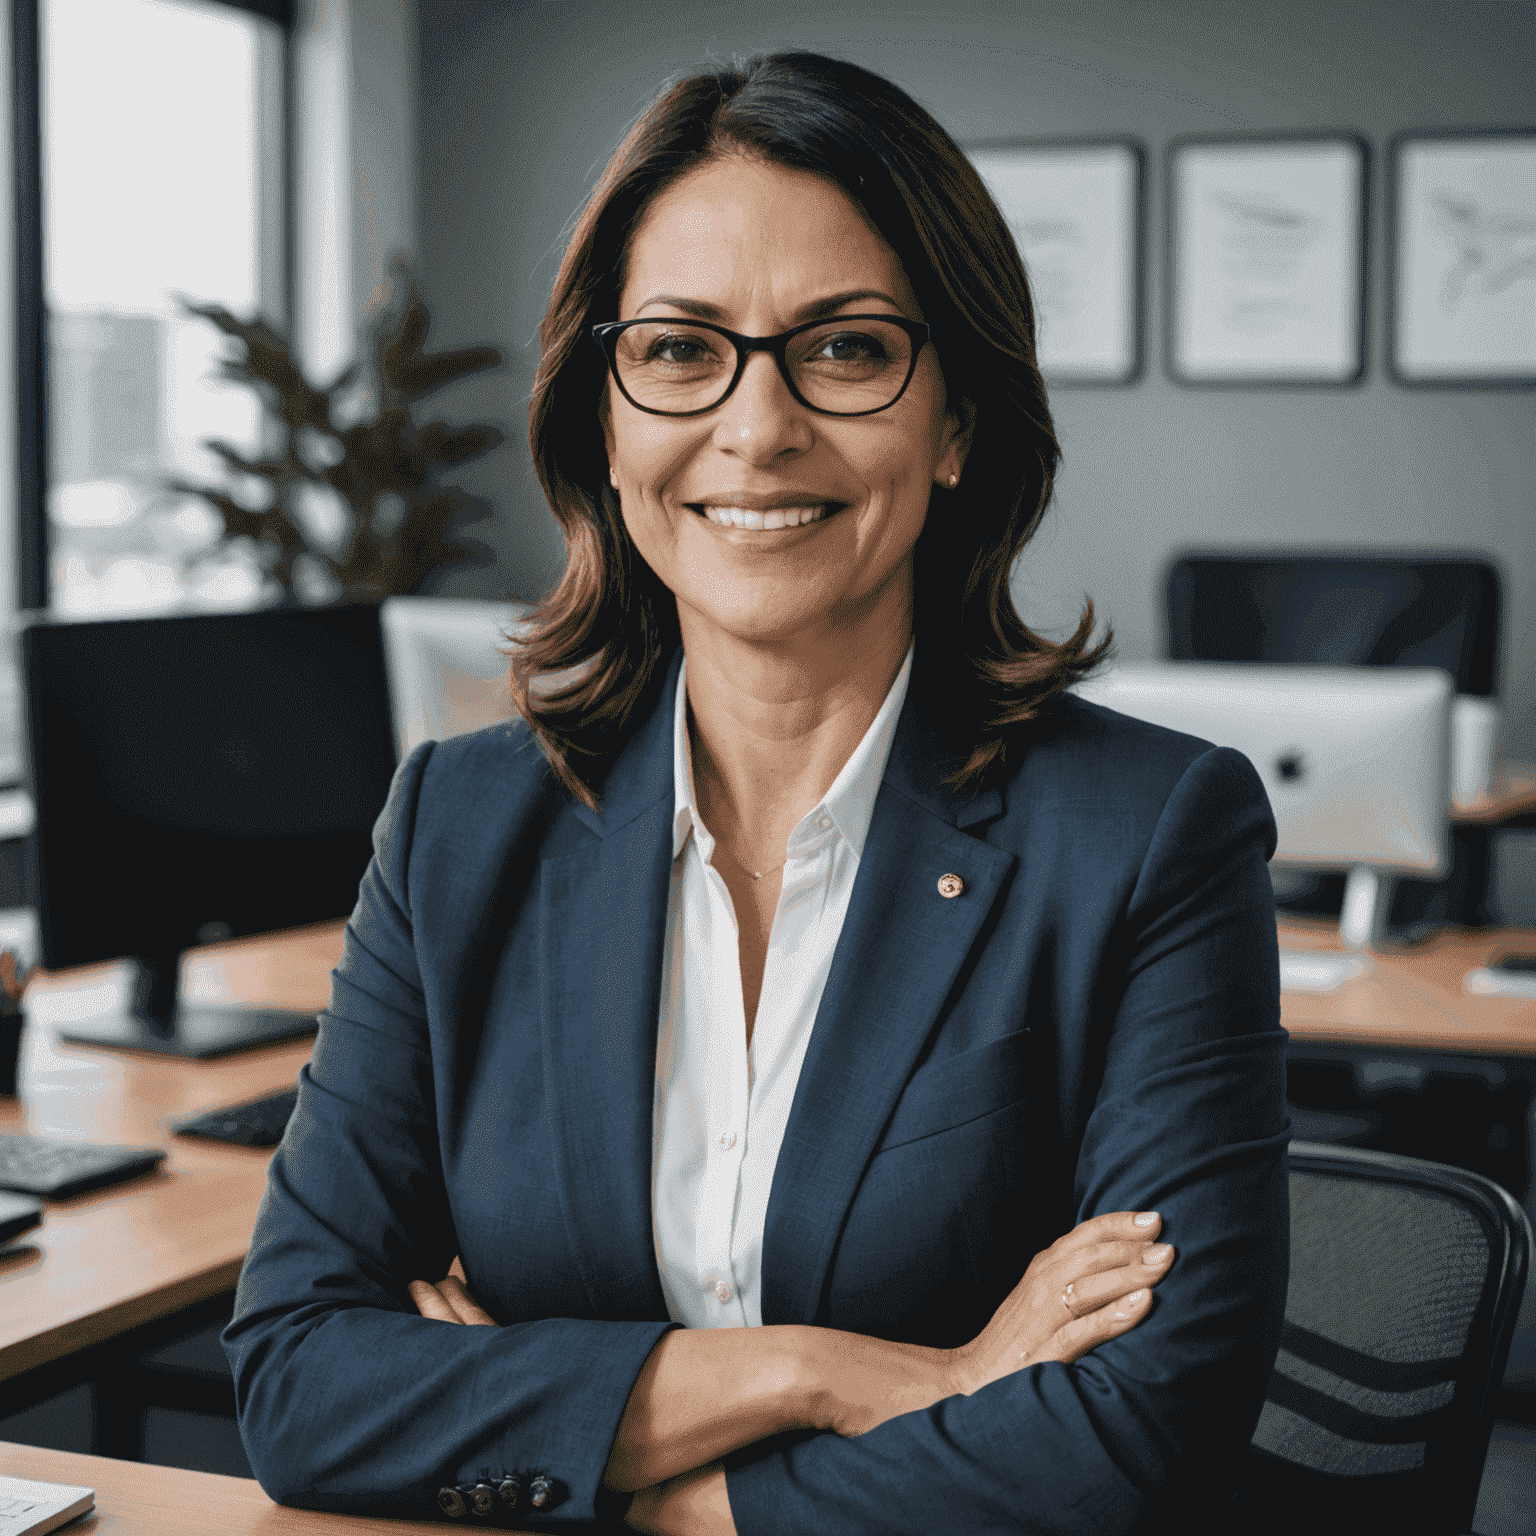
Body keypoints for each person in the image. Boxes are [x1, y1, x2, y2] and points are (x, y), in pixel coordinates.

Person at [224, 51, 1288, 1535]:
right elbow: (298, 1380)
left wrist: (636, 1486)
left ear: (959, 420)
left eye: (846, 351)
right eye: (677, 349)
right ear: (607, 414)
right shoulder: (459, 829)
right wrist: (837, 1377)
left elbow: (1140, 1425)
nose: (757, 424)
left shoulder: (1149, 836)